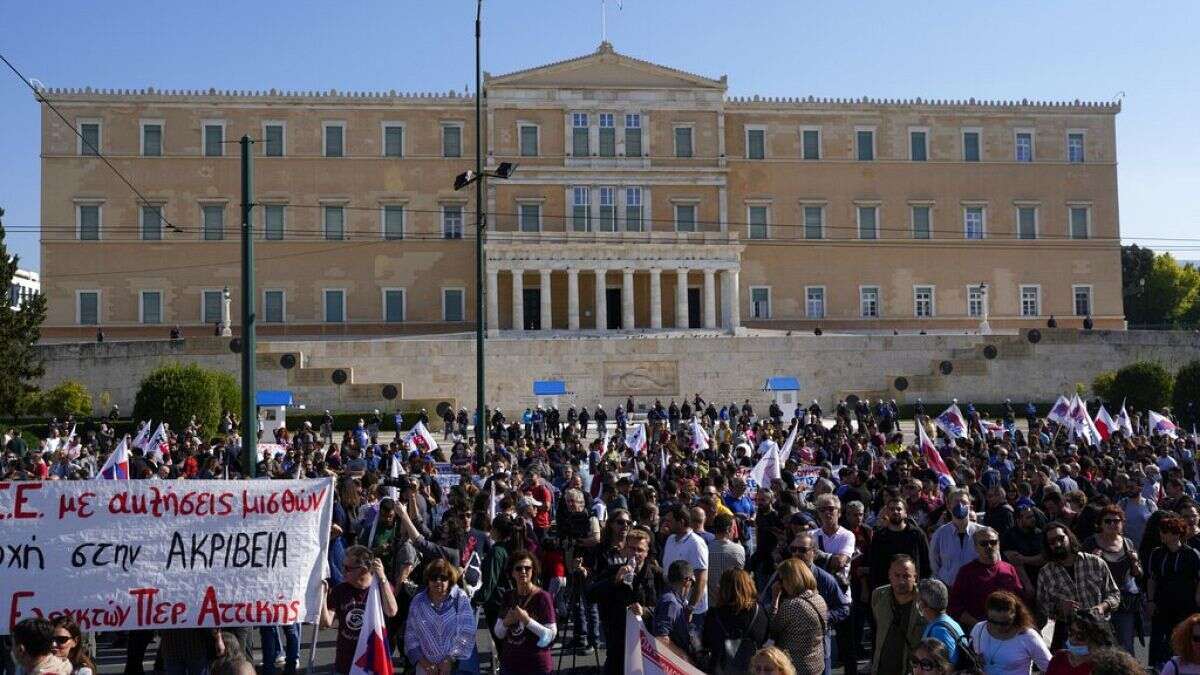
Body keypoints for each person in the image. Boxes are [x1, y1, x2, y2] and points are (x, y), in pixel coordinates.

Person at [586, 528, 664, 675]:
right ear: (625, 549)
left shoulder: (656, 574)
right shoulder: (613, 570)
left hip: (645, 645)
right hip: (618, 641)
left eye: (640, 550)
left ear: (647, 552)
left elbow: (664, 607)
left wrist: (646, 611)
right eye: (632, 548)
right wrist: (614, 580)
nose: (635, 553)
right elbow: (590, 595)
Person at [1035, 524, 1119, 650]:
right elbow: (1043, 606)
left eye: (1060, 538)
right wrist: (1059, 607)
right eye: (1052, 542)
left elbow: (1115, 594)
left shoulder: (1095, 563)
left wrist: (1102, 607)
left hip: (1098, 628)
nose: (1057, 544)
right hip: (1068, 632)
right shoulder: (1045, 573)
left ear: (1069, 537)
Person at [321, 545, 400, 675]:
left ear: (363, 570)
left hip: (371, 662)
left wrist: (383, 579)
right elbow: (325, 623)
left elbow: (391, 611)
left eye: (347, 568)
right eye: (343, 566)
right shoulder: (340, 590)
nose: (343, 571)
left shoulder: (380, 588)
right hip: (344, 664)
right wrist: (323, 597)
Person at [1081, 504, 1142, 654]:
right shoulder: (1090, 543)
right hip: (1100, 602)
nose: (1113, 524)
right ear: (1100, 524)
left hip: (1124, 602)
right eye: (1108, 521)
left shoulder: (1127, 543)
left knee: (1126, 645)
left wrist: (1134, 562)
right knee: (1101, 645)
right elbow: (1081, 574)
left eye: (1117, 521)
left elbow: (1138, 574)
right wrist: (1093, 561)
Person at [404, 558, 478, 675]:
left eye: (443, 578)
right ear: (428, 579)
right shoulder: (418, 601)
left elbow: (467, 631)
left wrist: (449, 660)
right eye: (433, 577)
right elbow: (410, 635)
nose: (438, 581)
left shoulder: (460, 598)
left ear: (450, 579)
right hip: (425, 668)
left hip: (455, 667)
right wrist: (426, 664)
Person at [1147, 515, 1200, 667]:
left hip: (1185, 606)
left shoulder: (1191, 554)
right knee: (1159, 639)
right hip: (1161, 604)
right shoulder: (1157, 553)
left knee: (1182, 638)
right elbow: (1152, 578)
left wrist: (1197, 598)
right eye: (1161, 531)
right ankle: (1158, 668)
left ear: (1176, 533)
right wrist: (1150, 601)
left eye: (1165, 531)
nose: (1161, 535)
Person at [493, 551, 556, 675]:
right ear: (512, 573)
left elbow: (551, 635)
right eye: (518, 568)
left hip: (536, 666)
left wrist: (527, 621)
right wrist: (506, 622)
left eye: (527, 568)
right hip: (510, 665)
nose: (523, 571)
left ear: (533, 571)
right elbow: (498, 633)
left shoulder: (543, 597)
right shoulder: (508, 596)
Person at [949, 527, 1025, 630]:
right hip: (979, 631)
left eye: (993, 542)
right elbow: (955, 606)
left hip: (1009, 629)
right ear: (976, 547)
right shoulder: (966, 572)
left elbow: (1020, 600)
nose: (989, 546)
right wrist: (980, 626)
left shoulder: (1009, 568)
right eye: (983, 543)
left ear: (998, 544)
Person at [766, 558, 827, 675]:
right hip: (816, 663)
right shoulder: (819, 598)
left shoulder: (792, 605)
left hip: (796, 666)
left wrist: (775, 599)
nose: (780, 583)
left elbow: (772, 628)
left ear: (790, 580)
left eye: (782, 579)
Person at [701, 569, 768, 675]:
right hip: (751, 669)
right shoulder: (760, 612)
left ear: (724, 589)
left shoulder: (715, 614)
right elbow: (763, 639)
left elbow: (706, 642)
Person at [968, 591, 1050, 675]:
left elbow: (1050, 667)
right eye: (993, 622)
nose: (998, 627)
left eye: (1005, 623)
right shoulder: (979, 629)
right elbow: (969, 657)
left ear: (1015, 617)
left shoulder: (1028, 636)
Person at [872, 555, 928, 675]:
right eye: (897, 575)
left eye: (906, 576)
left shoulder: (925, 601)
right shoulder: (879, 596)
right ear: (889, 575)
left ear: (915, 577)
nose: (901, 581)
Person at [661, 504, 710, 629]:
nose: (666, 524)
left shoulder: (696, 543)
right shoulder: (670, 539)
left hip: (692, 613)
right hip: (672, 606)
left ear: (681, 522)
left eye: (669, 521)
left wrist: (690, 608)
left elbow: (701, 579)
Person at [929, 488, 982, 586]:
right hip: (949, 590)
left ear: (970, 506)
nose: (960, 505)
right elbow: (935, 565)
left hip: (975, 588)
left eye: (964, 502)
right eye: (956, 502)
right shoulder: (940, 534)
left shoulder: (982, 533)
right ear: (949, 506)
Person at [1045, 610, 1115, 675]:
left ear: (1095, 639)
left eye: (1080, 636)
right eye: (1071, 632)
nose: (1073, 639)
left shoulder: (1102, 667)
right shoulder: (1059, 658)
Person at [654, 559, 698, 658]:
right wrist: (684, 658)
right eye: (693, 581)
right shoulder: (671, 602)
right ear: (687, 580)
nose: (692, 585)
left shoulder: (676, 600)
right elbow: (662, 638)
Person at [917, 579, 964, 667]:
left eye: (918, 599)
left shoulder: (939, 631)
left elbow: (949, 667)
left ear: (923, 604)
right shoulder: (948, 622)